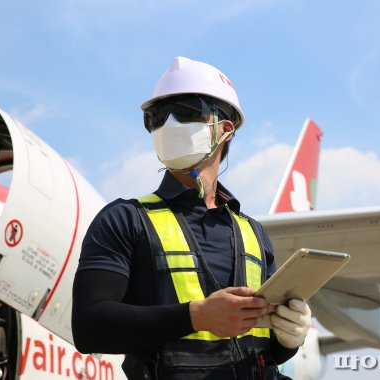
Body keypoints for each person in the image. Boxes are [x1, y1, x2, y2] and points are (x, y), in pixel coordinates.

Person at [72, 56, 311, 380]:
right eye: (155, 117)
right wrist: (195, 316)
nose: (167, 124)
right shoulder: (124, 219)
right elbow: (88, 327)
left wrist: (288, 338)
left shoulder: (254, 233)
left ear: (225, 129)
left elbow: (267, 351)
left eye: (186, 111)